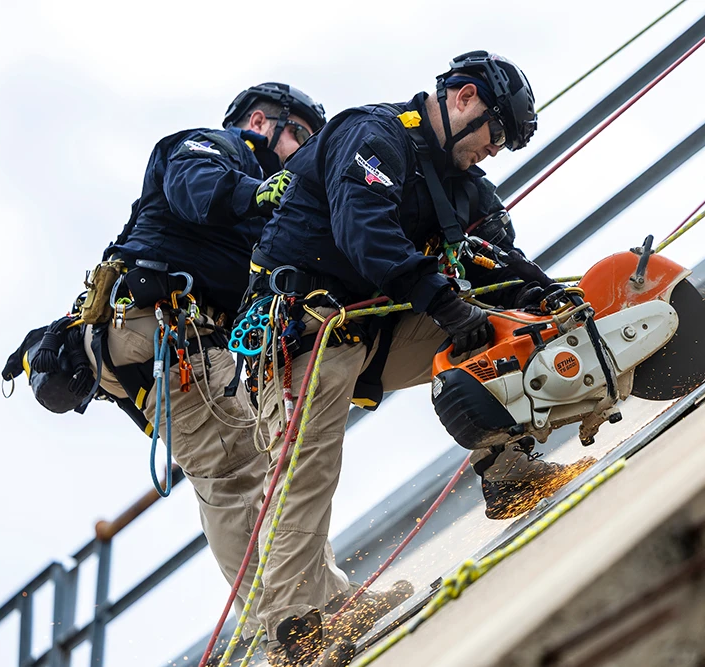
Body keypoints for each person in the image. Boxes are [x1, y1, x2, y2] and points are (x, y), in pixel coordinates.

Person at [246, 51, 577, 666]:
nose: (493, 150)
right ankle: (293, 635)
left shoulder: (459, 182)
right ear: (465, 98)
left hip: (375, 333)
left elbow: (495, 255)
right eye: (495, 133)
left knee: (498, 330)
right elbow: (364, 232)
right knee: (307, 471)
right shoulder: (373, 135)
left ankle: (507, 474)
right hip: (307, 333)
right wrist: (447, 305)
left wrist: (542, 295)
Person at [88, 83, 332, 637]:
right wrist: (261, 195)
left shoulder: (261, 211)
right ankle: (291, 622)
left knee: (260, 459)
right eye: (297, 134)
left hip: (170, 344)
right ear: (258, 121)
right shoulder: (208, 148)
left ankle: (316, 605)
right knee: (241, 467)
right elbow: (200, 188)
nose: (299, 151)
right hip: (162, 333)